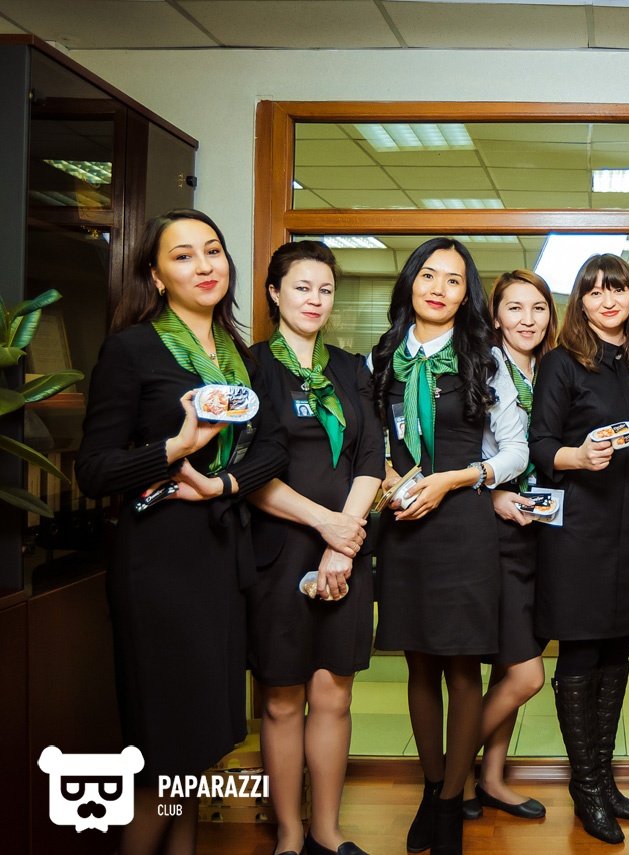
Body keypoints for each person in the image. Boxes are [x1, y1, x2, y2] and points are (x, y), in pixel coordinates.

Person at [76, 209, 289, 855]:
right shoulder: (132, 348)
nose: (204, 266)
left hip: (223, 560)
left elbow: (272, 448)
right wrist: (177, 447)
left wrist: (220, 485)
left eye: (213, 250)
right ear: (156, 276)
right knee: (163, 751)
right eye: (183, 255)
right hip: (159, 568)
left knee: (199, 747)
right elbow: (94, 470)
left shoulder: (239, 356)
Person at [369, 238, 528, 855]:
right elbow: (373, 442)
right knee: (418, 665)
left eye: (454, 280)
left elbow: (515, 452)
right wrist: (389, 476)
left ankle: (448, 804)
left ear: (467, 296)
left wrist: (457, 479)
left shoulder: (485, 360)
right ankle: (432, 787)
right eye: (428, 275)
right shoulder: (384, 357)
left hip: (463, 523)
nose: (438, 288)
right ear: (410, 282)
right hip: (404, 526)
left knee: (462, 669)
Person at [245, 241, 383, 855]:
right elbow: (245, 471)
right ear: (274, 293)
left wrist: (343, 541)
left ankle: (327, 831)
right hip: (277, 551)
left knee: (333, 691)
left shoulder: (352, 369)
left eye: (325, 290)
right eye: (302, 287)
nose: (315, 300)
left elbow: (370, 459)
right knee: (281, 698)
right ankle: (289, 833)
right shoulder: (250, 368)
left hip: (346, 551)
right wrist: (326, 525)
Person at [528, 254, 629, 845]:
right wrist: (579, 457)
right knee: (581, 655)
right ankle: (585, 788)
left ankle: (605, 780)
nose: (608, 301)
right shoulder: (562, 363)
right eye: (594, 291)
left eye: (618, 289)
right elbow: (540, 444)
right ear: (579, 302)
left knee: (618, 651)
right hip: (580, 532)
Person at [462, 270, 559, 822]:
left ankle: (490, 780)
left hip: (541, 532)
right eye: (515, 308)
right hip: (494, 532)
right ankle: (451, 772)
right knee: (526, 675)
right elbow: (461, 448)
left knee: (508, 670)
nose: (527, 319)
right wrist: (492, 494)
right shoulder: (484, 366)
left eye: (538, 307)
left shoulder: (551, 369)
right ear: (496, 316)